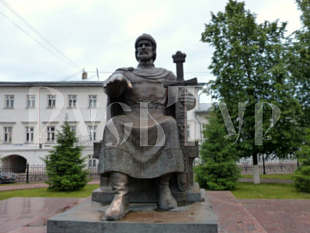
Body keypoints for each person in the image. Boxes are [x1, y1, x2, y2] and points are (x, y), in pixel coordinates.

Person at [98, 34, 196, 221]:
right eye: (139, 45)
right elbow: (112, 90)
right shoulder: (126, 73)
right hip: (131, 116)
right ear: (135, 52)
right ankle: (121, 195)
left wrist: (189, 101)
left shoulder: (166, 75)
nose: (143, 47)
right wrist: (116, 80)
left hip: (158, 116)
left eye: (147, 45)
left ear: (154, 51)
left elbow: (179, 101)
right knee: (114, 125)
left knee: (170, 124)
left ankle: (163, 187)